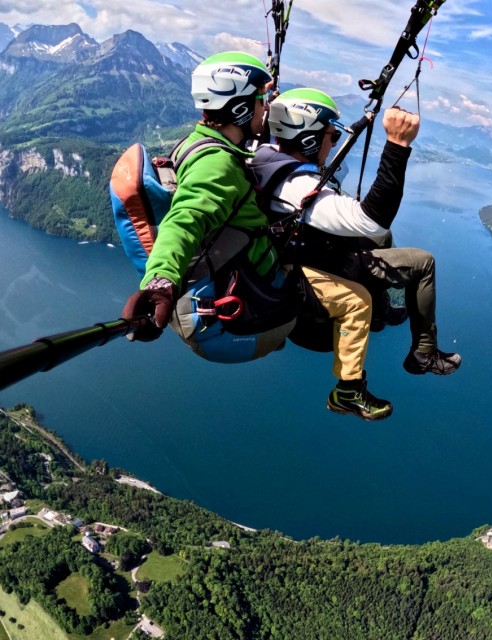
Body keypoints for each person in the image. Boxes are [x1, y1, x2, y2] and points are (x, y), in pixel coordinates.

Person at [121, 52, 392, 421]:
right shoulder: (218, 164)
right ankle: (349, 390)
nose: (269, 110)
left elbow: (246, 155)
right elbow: (185, 220)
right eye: (261, 103)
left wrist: (261, 108)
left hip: (235, 282)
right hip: (253, 300)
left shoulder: (201, 145)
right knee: (358, 298)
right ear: (238, 111)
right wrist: (161, 281)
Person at [249, 88, 461, 376]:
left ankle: (380, 307)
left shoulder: (262, 155)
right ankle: (424, 352)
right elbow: (373, 219)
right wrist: (397, 144)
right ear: (310, 139)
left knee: (381, 241)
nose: (334, 142)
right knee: (423, 263)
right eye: (331, 136)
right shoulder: (298, 189)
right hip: (317, 293)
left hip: (304, 258)